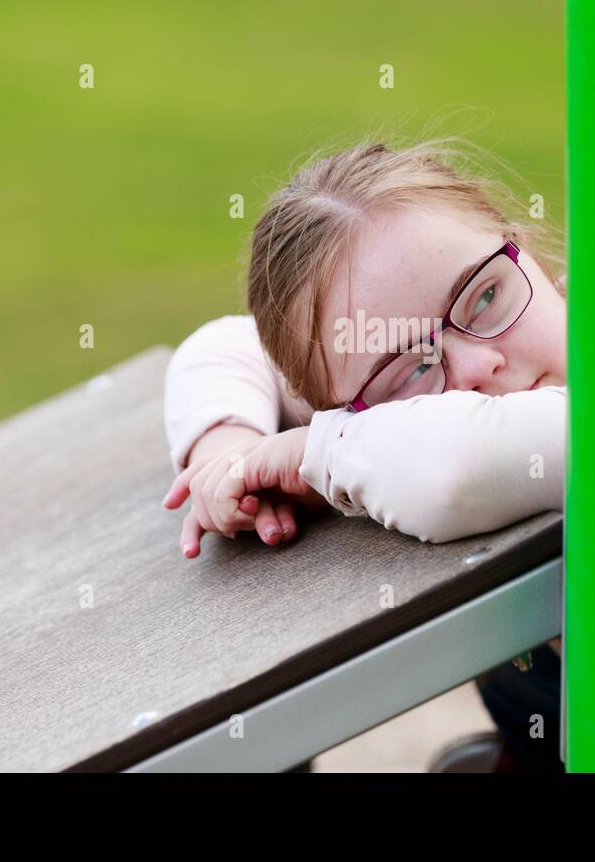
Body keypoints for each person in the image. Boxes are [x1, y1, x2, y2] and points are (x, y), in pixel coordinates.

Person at [162, 136, 566, 771]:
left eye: (486, 296)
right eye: (409, 370)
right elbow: (222, 345)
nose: (482, 364)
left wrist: (310, 454)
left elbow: (452, 472)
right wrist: (229, 452)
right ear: (352, 411)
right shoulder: (365, 424)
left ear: (533, 258)